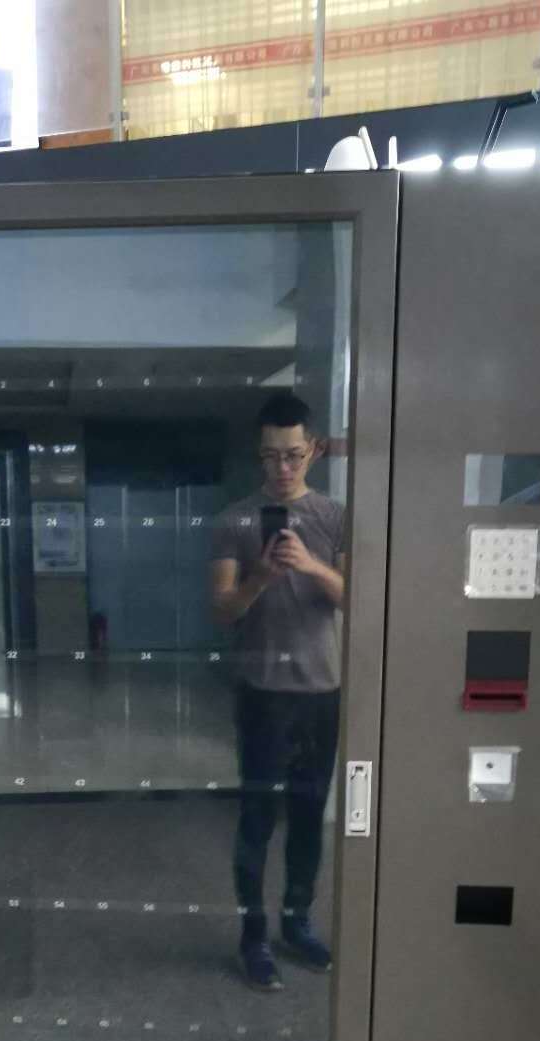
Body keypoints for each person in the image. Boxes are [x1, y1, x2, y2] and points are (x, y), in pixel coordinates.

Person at [210, 394, 346, 992]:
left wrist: (313, 566)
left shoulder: (337, 518)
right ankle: (253, 934)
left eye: (292, 455)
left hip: (322, 690)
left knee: (309, 816)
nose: (282, 469)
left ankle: (297, 922)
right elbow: (222, 610)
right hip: (263, 693)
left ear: (312, 449)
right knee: (258, 819)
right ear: (258, 455)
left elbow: (357, 599)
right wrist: (263, 575)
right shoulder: (236, 520)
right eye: (270, 457)